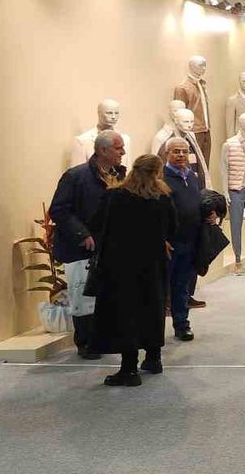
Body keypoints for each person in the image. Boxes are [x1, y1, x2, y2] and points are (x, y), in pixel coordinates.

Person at [87, 154, 178, 387]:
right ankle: (154, 359)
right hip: (154, 263)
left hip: (121, 265)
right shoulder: (162, 197)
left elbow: (96, 223)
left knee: (126, 313)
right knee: (153, 308)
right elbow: (173, 228)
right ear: (157, 173)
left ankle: (129, 369)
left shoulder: (115, 196)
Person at [48, 129, 127, 360]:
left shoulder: (119, 176)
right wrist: (82, 234)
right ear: (103, 150)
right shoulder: (75, 177)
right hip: (80, 248)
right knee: (83, 298)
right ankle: (85, 342)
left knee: (107, 296)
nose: (123, 152)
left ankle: (104, 338)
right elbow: (59, 210)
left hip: (108, 247)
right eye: (118, 148)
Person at [162, 137, 202, 342]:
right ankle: (154, 332)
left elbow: (197, 202)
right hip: (169, 243)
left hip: (190, 240)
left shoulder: (192, 176)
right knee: (162, 288)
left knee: (182, 285)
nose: (180, 155)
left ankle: (182, 325)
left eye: (184, 152)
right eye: (175, 151)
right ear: (167, 154)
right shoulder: (161, 178)